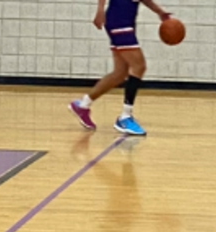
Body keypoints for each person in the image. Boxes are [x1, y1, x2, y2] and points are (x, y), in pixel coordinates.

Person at [69, 0, 172, 136]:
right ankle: (125, 117)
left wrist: (159, 12)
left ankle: (83, 105)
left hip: (124, 20)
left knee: (120, 73)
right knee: (139, 66)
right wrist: (100, 10)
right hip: (119, 20)